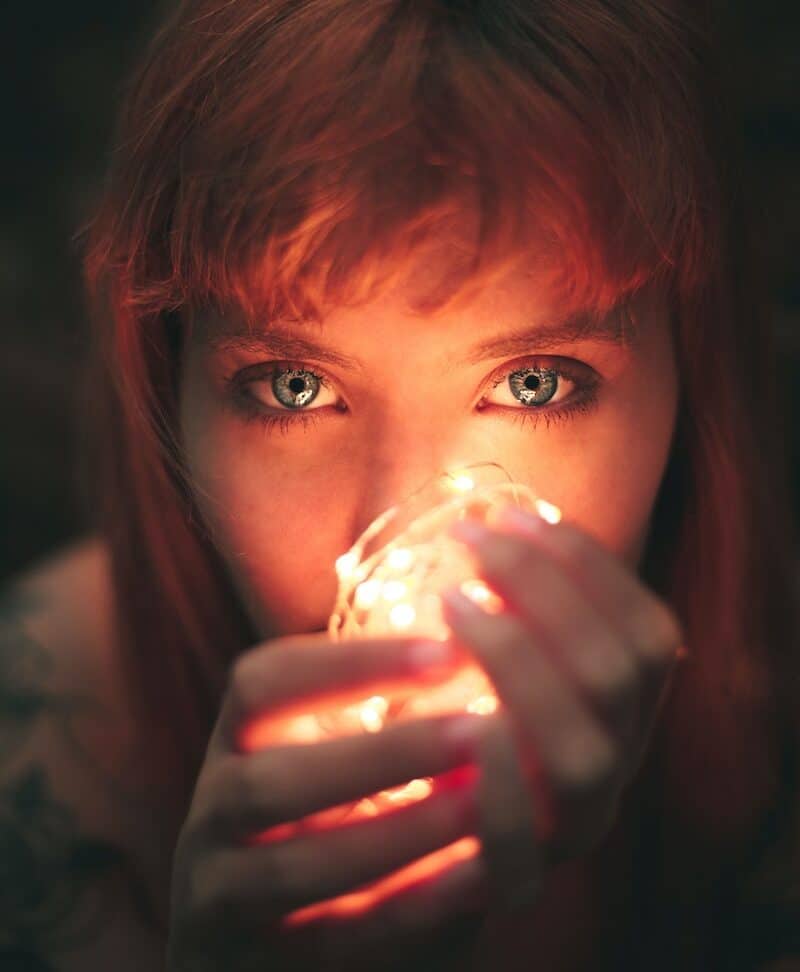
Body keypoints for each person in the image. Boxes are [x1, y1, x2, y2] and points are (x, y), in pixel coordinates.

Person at [2, 0, 798, 969]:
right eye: (294, 387)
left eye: (531, 382)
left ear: (691, 381)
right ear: (167, 390)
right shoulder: (48, 749)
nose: (402, 532)